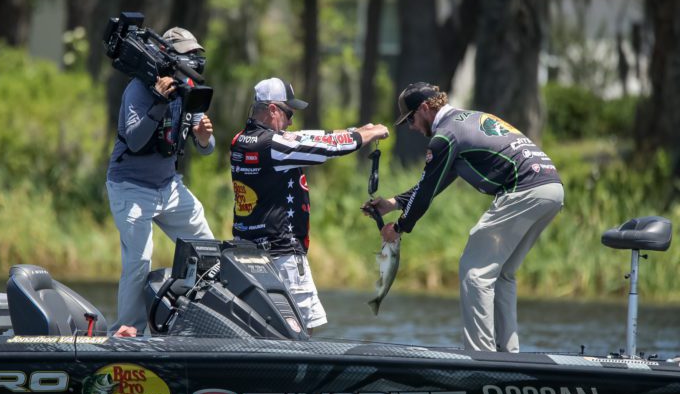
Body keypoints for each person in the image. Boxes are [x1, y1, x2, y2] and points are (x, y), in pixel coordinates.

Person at [367, 82, 564, 353]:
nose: (411, 126)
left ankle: (481, 357)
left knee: (474, 271)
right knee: (503, 272)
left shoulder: (445, 136)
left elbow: (425, 191)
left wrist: (399, 227)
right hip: (552, 187)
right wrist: (393, 203)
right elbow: (435, 182)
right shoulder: (466, 120)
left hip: (524, 188)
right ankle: (508, 355)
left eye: (410, 118)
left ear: (425, 108)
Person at [231, 77, 389, 335]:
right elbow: (325, 147)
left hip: (247, 253)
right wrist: (367, 135)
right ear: (273, 110)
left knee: (260, 329)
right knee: (305, 330)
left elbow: (306, 136)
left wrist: (354, 129)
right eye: (289, 113)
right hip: (282, 254)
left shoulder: (240, 140)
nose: (292, 121)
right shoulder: (275, 146)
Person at [107, 27, 215, 337]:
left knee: (206, 247)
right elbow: (137, 140)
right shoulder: (139, 90)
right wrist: (158, 102)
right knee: (139, 260)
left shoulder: (189, 86)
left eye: (197, 53)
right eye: (189, 53)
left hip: (168, 186)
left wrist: (205, 138)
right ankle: (127, 331)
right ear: (171, 56)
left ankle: (198, 322)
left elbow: (206, 147)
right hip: (130, 187)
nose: (195, 59)